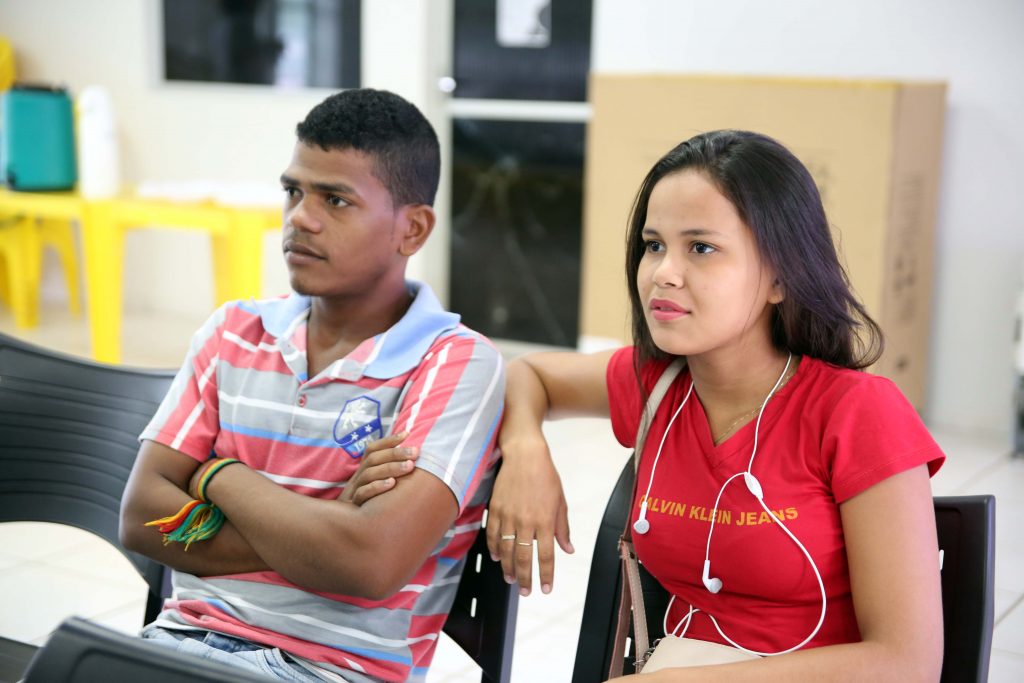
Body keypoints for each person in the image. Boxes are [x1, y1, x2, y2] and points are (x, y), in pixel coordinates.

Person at [484, 130, 946, 680]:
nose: (663, 273)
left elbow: (907, 662)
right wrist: (527, 452)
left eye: (700, 248)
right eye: (653, 245)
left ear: (780, 276)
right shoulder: (658, 385)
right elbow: (526, 373)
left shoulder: (858, 411)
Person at [119, 88, 505, 683]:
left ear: (412, 229)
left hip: (332, 671)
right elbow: (142, 516)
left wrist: (218, 477)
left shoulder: (454, 364)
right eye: (293, 191)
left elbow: (369, 562)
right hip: (179, 643)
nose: (300, 216)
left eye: (336, 199)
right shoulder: (233, 332)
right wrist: (323, 527)